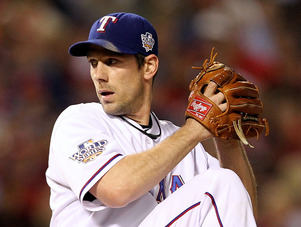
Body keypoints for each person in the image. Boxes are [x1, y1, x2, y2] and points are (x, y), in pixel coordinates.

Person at [46, 12, 258, 226]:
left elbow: (240, 208)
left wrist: (227, 141)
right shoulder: (79, 120)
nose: (98, 75)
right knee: (222, 182)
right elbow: (117, 189)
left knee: (226, 183)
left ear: (149, 66)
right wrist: (195, 128)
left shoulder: (185, 145)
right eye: (93, 63)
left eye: (111, 61)